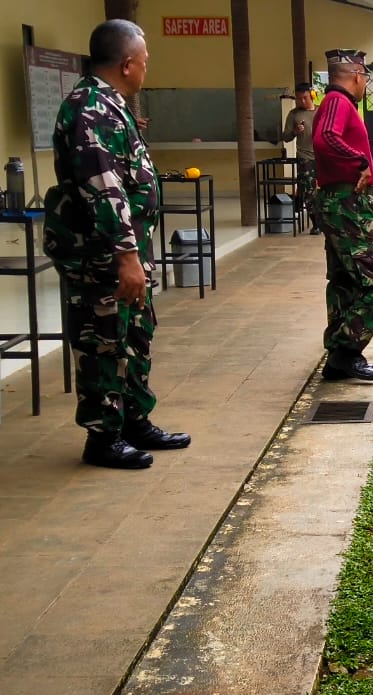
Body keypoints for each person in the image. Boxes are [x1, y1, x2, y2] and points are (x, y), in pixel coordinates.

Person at [42, 19, 190, 470]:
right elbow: (103, 190)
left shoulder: (112, 105)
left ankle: (134, 420)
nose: (146, 70)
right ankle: (102, 437)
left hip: (127, 252)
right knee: (104, 341)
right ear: (127, 65)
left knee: (135, 336)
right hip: (102, 257)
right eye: (144, 62)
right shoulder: (90, 109)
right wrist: (127, 257)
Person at [312, 48, 373, 382]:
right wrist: (361, 163)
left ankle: (338, 358)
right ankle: (346, 351)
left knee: (345, 280)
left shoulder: (337, 104)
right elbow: (325, 138)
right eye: (365, 77)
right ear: (357, 75)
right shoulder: (338, 103)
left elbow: (335, 147)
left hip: (342, 199)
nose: (365, 83)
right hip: (345, 204)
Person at [282, 81, 320, 234]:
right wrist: (295, 132)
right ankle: (316, 224)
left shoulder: (321, 111)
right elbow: (285, 137)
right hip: (305, 157)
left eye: (305, 97)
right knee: (308, 192)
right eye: (299, 99)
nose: (302, 101)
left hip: (323, 156)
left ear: (311, 95)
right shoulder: (294, 114)